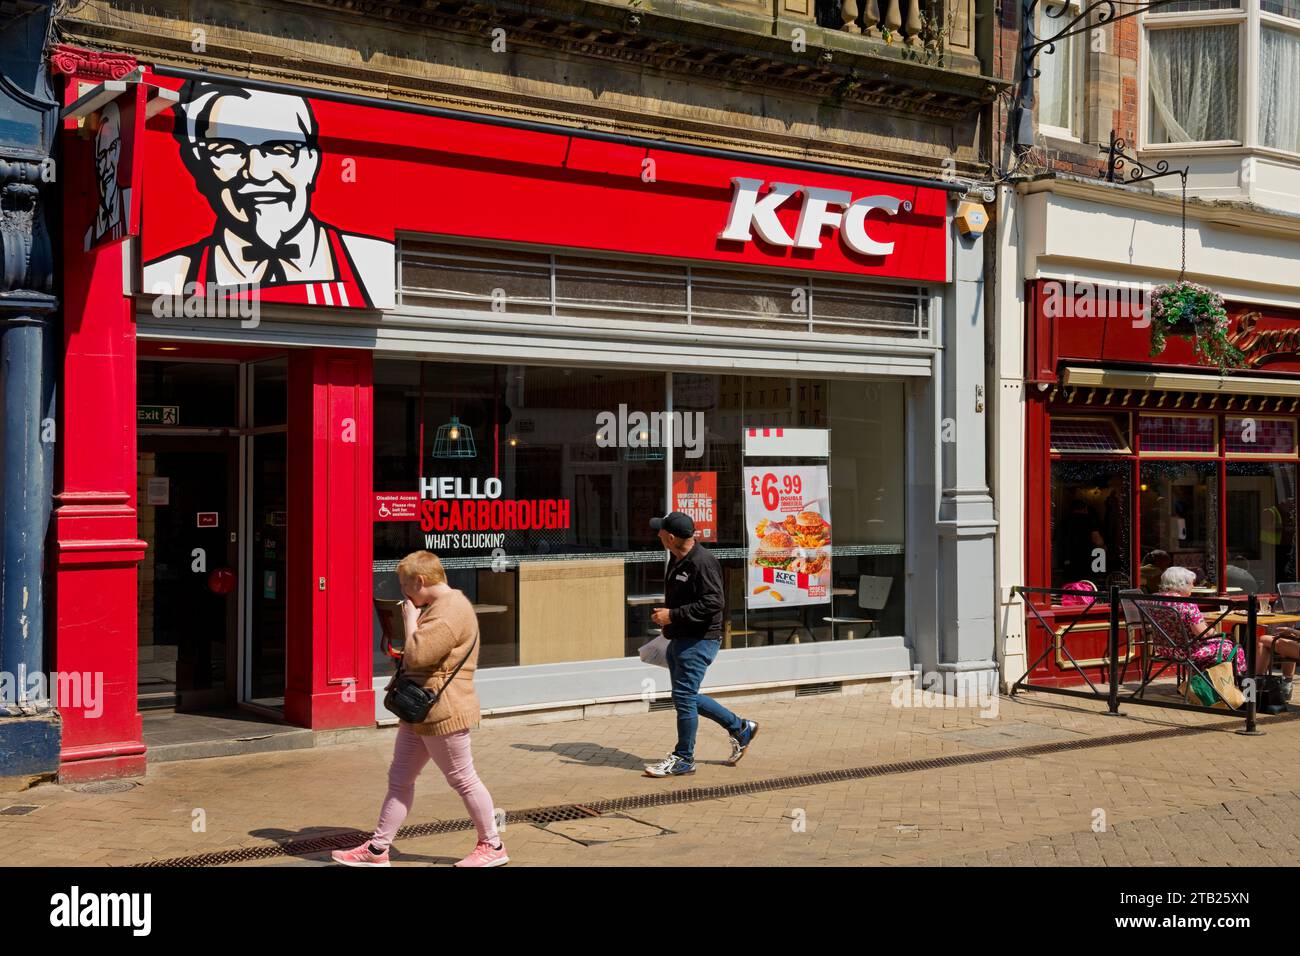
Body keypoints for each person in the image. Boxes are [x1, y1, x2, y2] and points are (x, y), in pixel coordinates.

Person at [144, 81, 394, 308]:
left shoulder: (373, 262)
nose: (258, 172)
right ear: (198, 165)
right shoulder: (164, 276)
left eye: (280, 148)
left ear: (312, 162)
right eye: (228, 149)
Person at [332, 551, 507, 867]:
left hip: (444, 713)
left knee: (463, 779)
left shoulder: (450, 611)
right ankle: (377, 850)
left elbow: (419, 654)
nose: (403, 592)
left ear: (421, 581)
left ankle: (492, 845)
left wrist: (410, 622)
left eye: (404, 584)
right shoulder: (439, 607)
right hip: (420, 711)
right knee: (400, 779)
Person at [644, 511, 758, 778]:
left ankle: (684, 758)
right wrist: (670, 618)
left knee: (684, 697)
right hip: (681, 638)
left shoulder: (702, 562)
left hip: (699, 641)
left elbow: (714, 602)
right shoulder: (678, 558)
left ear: (670, 537)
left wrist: (672, 615)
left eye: (661, 531)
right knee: (686, 696)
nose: (658, 534)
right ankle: (740, 728)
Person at [1150, 566, 1246, 677]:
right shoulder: (1187, 604)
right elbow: (1203, 634)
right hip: (1184, 651)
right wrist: (1215, 633)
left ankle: (1202, 682)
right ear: (1182, 585)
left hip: (1162, 648)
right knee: (1233, 646)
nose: (1193, 586)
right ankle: (1239, 682)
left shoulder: (1154, 600)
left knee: (1212, 649)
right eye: (1191, 583)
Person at [1063, 495, 1105, 584]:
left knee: (1072, 584)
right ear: (1085, 508)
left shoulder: (1065, 521)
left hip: (1070, 559)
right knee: (1087, 584)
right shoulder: (1090, 520)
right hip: (1087, 558)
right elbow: (1097, 540)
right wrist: (1103, 546)